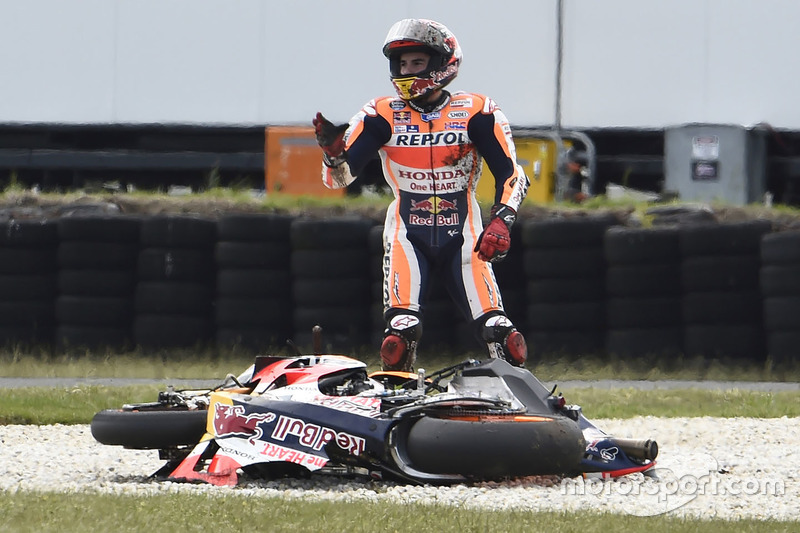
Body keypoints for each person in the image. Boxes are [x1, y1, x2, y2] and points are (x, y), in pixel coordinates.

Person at [312, 18, 530, 371]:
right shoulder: (380, 114)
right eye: (401, 63)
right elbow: (337, 181)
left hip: (466, 233)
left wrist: (502, 221)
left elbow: (512, 174)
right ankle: (396, 403)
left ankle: (522, 401)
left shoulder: (477, 111)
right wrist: (334, 155)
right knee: (400, 333)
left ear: (443, 62)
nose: (407, 70)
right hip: (405, 234)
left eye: (417, 62)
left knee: (499, 331)